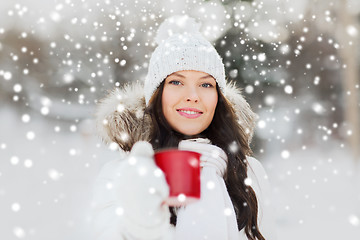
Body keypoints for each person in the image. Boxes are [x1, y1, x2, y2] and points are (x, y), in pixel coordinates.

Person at [92, 15, 277, 240]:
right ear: (156, 96)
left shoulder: (247, 173)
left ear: (218, 98)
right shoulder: (124, 173)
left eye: (206, 84)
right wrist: (142, 224)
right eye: (176, 82)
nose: (192, 96)